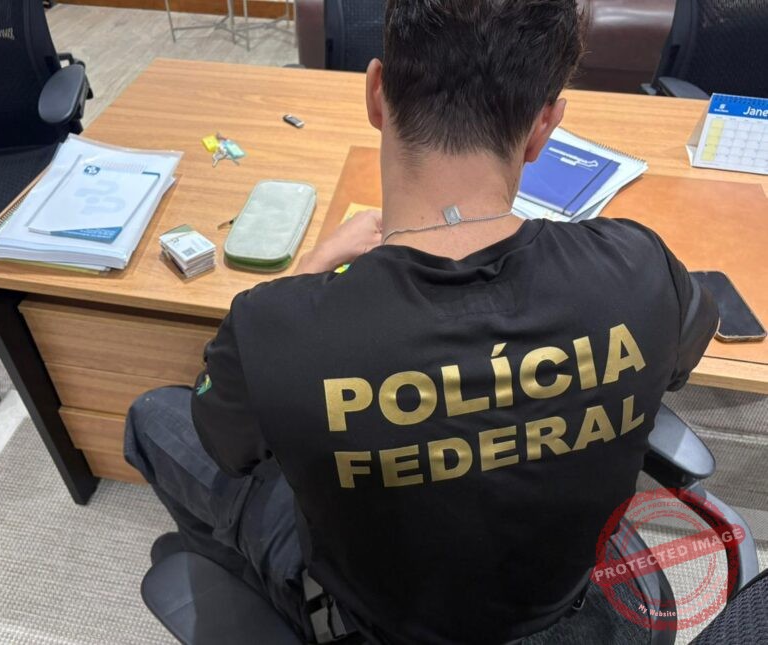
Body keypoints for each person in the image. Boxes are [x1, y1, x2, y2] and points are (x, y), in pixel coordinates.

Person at [125, 1, 719, 643]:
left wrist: (309, 273)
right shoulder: (638, 268)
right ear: (544, 125)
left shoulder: (277, 326)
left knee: (154, 418)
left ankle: (254, 582)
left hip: (375, 623)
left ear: (376, 94)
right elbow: (681, 355)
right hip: (574, 603)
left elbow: (228, 445)